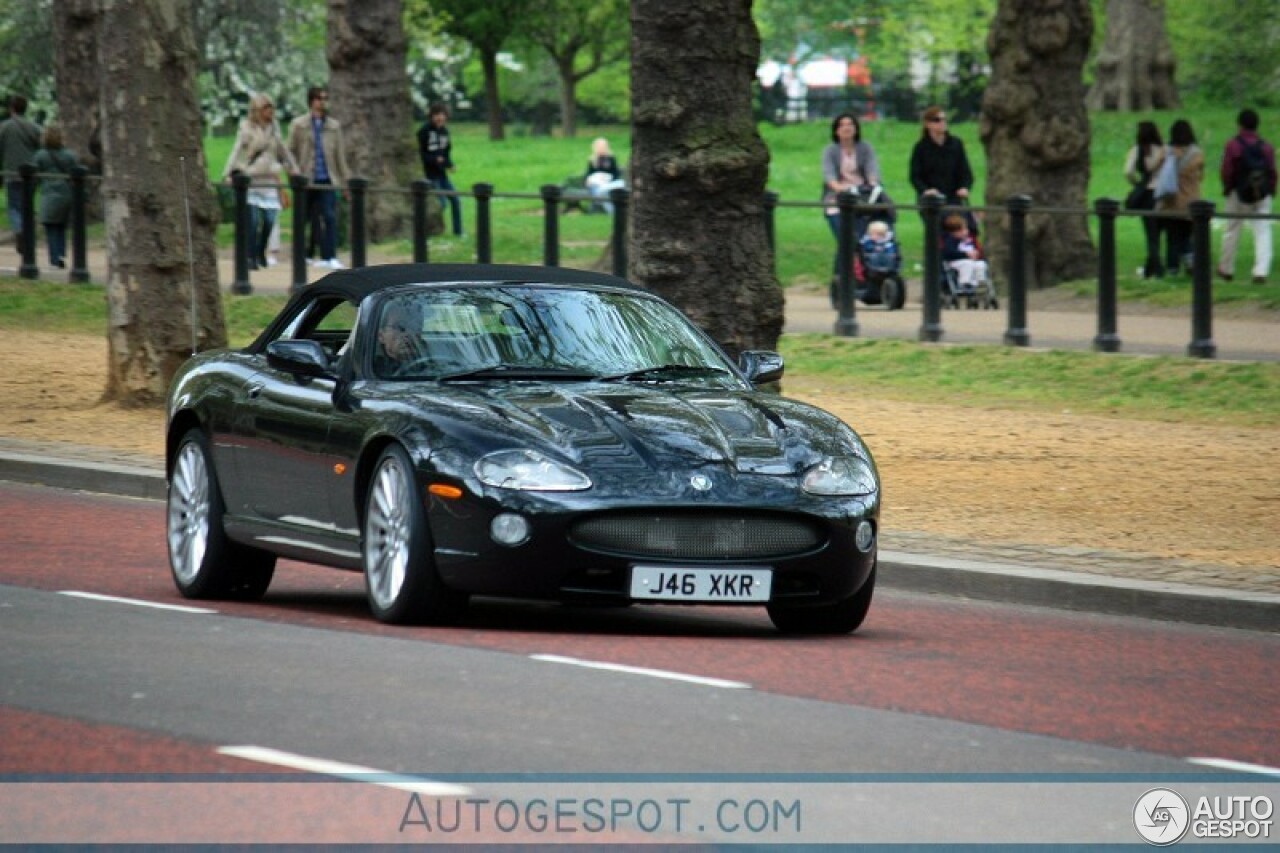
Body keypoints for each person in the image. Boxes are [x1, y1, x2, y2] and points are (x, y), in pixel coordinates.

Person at [223, 93, 298, 270]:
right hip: (253, 178)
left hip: (270, 178)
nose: (270, 111)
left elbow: (283, 150)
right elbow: (236, 150)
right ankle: (250, 256)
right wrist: (228, 172)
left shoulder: (275, 127)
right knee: (254, 221)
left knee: (270, 221)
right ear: (257, 110)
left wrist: (294, 168)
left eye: (271, 107)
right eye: (266, 108)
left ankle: (260, 251)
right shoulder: (246, 127)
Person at [288, 85, 351, 269]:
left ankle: (329, 255)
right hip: (306, 178)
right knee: (303, 219)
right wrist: (292, 170)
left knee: (330, 217)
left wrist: (346, 182)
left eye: (325, 98)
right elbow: (288, 151)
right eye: (319, 98)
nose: (322, 102)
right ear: (311, 101)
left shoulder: (334, 127)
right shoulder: (298, 125)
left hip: (327, 178)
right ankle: (301, 255)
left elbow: (340, 156)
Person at [1217, 108, 1277, 284]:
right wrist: (1271, 189)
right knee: (1262, 230)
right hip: (1262, 194)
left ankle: (1226, 268)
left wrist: (1228, 187)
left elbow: (1227, 170)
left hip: (1238, 193)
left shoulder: (1233, 145)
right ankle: (1261, 270)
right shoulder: (1266, 147)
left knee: (1232, 229)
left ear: (1240, 125)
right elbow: (1272, 170)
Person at [821, 112, 883, 281]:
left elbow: (872, 170)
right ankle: (840, 280)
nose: (847, 128)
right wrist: (842, 189)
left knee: (860, 240)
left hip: (862, 199)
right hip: (837, 201)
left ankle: (863, 276)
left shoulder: (865, 148)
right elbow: (829, 177)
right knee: (846, 239)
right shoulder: (830, 151)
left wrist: (871, 183)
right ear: (836, 130)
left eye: (850, 124)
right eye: (842, 125)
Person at [1155, 118, 1205, 277]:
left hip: (1170, 199)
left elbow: (1157, 170)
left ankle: (1172, 268)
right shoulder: (1197, 154)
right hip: (1190, 200)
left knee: (1172, 236)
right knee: (1186, 234)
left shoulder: (1166, 152)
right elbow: (1200, 176)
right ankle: (1190, 259)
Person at [909, 105, 975, 224]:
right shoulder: (921, 148)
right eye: (937, 120)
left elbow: (965, 171)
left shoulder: (956, 144)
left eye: (944, 119)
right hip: (932, 199)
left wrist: (965, 187)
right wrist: (926, 190)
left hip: (954, 197)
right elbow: (915, 176)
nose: (942, 123)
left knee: (962, 227)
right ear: (927, 124)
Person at [30, 126, 77, 269]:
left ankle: (55, 257)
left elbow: (33, 176)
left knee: (51, 227)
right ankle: (61, 253)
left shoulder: (40, 155)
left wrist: (30, 193)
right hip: (66, 194)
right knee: (61, 226)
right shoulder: (69, 155)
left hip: (49, 194)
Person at [1123, 121, 1166, 279]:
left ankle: (1156, 268)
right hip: (1163, 193)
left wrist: (1137, 183)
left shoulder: (1137, 150)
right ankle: (1151, 268)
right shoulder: (1163, 150)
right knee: (1159, 231)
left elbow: (1128, 172)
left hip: (1147, 194)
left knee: (1151, 233)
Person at [0, 95, 43, 249]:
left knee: (14, 206)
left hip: (11, 173)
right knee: (28, 205)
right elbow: (41, 146)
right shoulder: (34, 127)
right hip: (31, 173)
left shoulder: (4, 127)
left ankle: (19, 230)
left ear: (11, 108)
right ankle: (27, 233)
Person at [417, 103, 463, 237]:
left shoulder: (445, 132)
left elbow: (445, 153)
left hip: (441, 174)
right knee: (441, 203)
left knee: (455, 200)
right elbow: (420, 153)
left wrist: (450, 164)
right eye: (436, 115)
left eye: (442, 115)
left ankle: (458, 231)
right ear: (431, 116)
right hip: (430, 174)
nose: (439, 118)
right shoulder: (424, 131)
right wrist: (433, 159)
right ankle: (430, 229)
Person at [373, 299, 424, 377]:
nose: (408, 333)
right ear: (381, 335)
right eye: (400, 327)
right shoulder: (372, 369)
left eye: (414, 327)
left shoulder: (432, 362)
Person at [941, 213, 988, 290]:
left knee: (981, 264)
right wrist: (966, 254)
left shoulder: (970, 239)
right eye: (962, 230)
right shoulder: (950, 240)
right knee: (967, 264)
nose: (966, 231)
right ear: (954, 232)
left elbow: (977, 249)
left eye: (966, 229)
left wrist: (976, 254)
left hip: (972, 260)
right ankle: (965, 283)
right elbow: (950, 253)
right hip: (956, 261)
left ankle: (980, 283)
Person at [584, 137, 626, 214]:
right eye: (599, 147)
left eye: (603, 147)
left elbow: (615, 173)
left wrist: (607, 178)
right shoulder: (592, 160)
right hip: (596, 185)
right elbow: (589, 174)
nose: (601, 149)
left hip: (608, 184)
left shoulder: (611, 158)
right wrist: (588, 180)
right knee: (603, 193)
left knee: (606, 191)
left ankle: (612, 212)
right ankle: (614, 213)